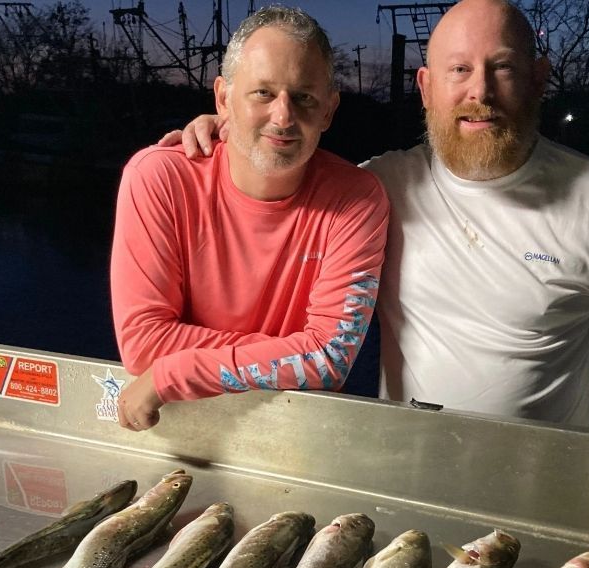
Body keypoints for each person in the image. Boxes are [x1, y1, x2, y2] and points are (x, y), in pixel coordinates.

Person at [162, 0, 589, 438]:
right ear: (427, 87)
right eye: (459, 70)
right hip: (406, 478)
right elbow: (278, 177)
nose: (480, 92)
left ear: (538, 80)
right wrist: (228, 131)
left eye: (502, 68)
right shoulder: (378, 189)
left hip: (544, 490)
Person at [110, 6, 389, 432]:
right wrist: (296, 353)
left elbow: (330, 363)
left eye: (304, 97)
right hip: (179, 427)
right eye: (262, 93)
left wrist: (176, 371)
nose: (283, 117)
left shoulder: (358, 199)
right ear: (223, 98)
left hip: (298, 431)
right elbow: (144, 345)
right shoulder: (158, 178)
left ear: (329, 111)